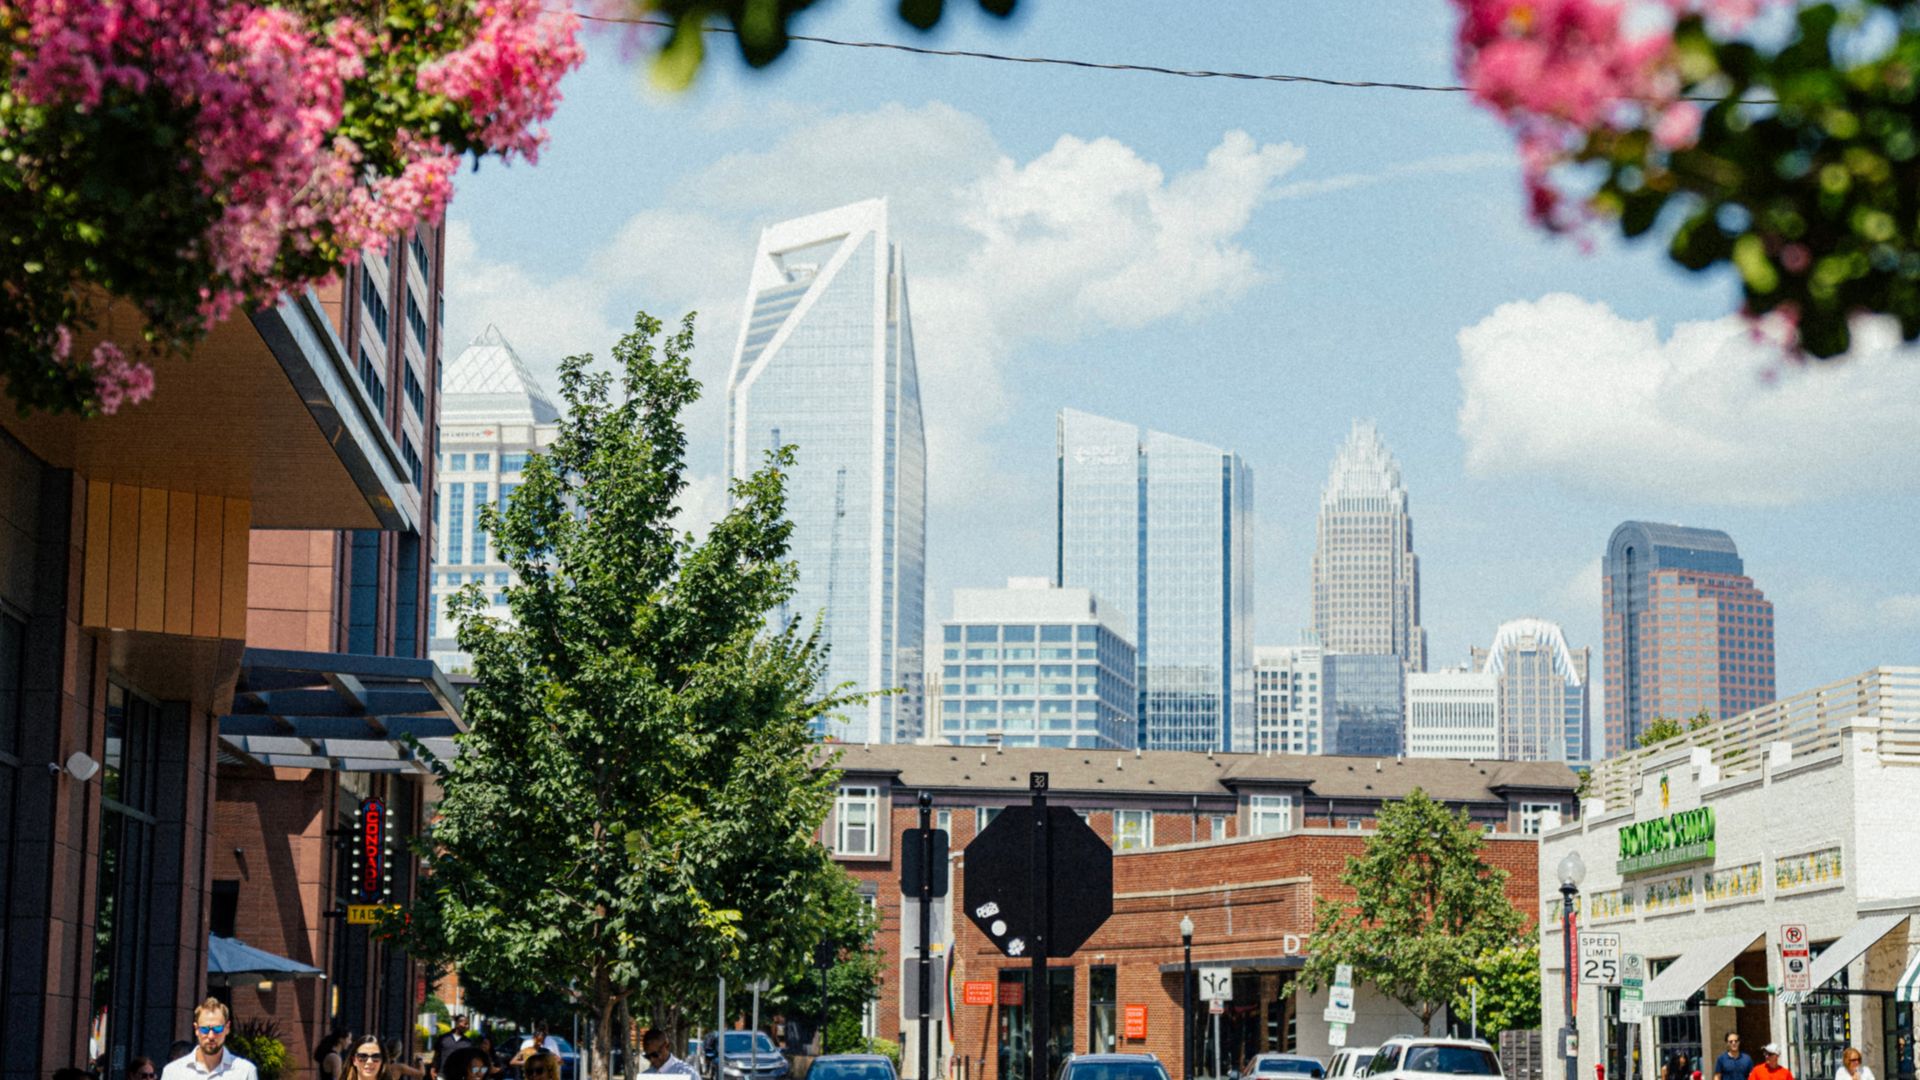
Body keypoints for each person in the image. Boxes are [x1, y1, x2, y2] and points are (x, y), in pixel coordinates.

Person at [160, 998, 259, 1080]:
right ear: (196, 1029)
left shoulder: (245, 1072)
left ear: (227, 1028)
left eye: (217, 1029)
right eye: (205, 1029)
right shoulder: (173, 1072)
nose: (211, 1036)